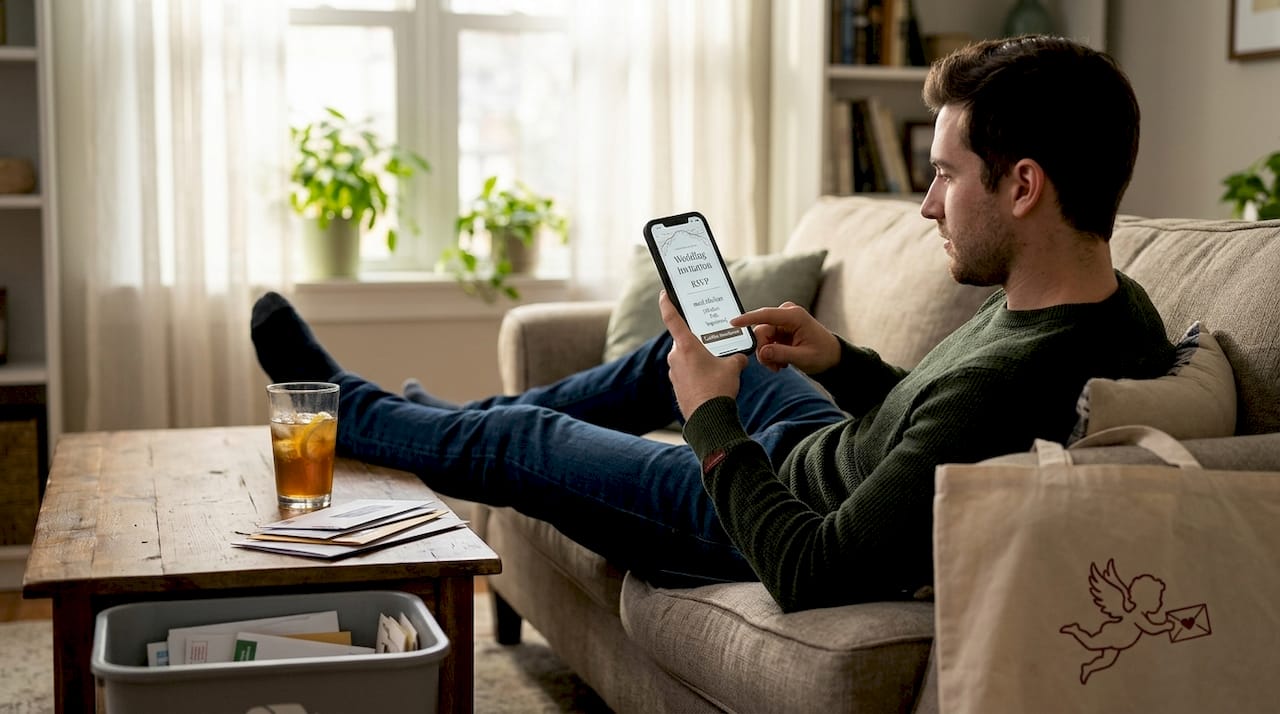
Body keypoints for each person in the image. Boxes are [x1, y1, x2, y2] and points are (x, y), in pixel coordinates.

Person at [251, 36, 1173, 614]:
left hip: (758, 516)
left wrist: (712, 421)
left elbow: (813, 572)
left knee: (529, 437)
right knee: (683, 347)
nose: (925, 205)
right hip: (829, 448)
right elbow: (933, 427)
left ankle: (357, 413)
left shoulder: (1013, 376)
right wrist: (839, 358)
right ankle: (448, 419)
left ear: (1022, 186)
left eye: (943, 173)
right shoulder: (1108, 307)